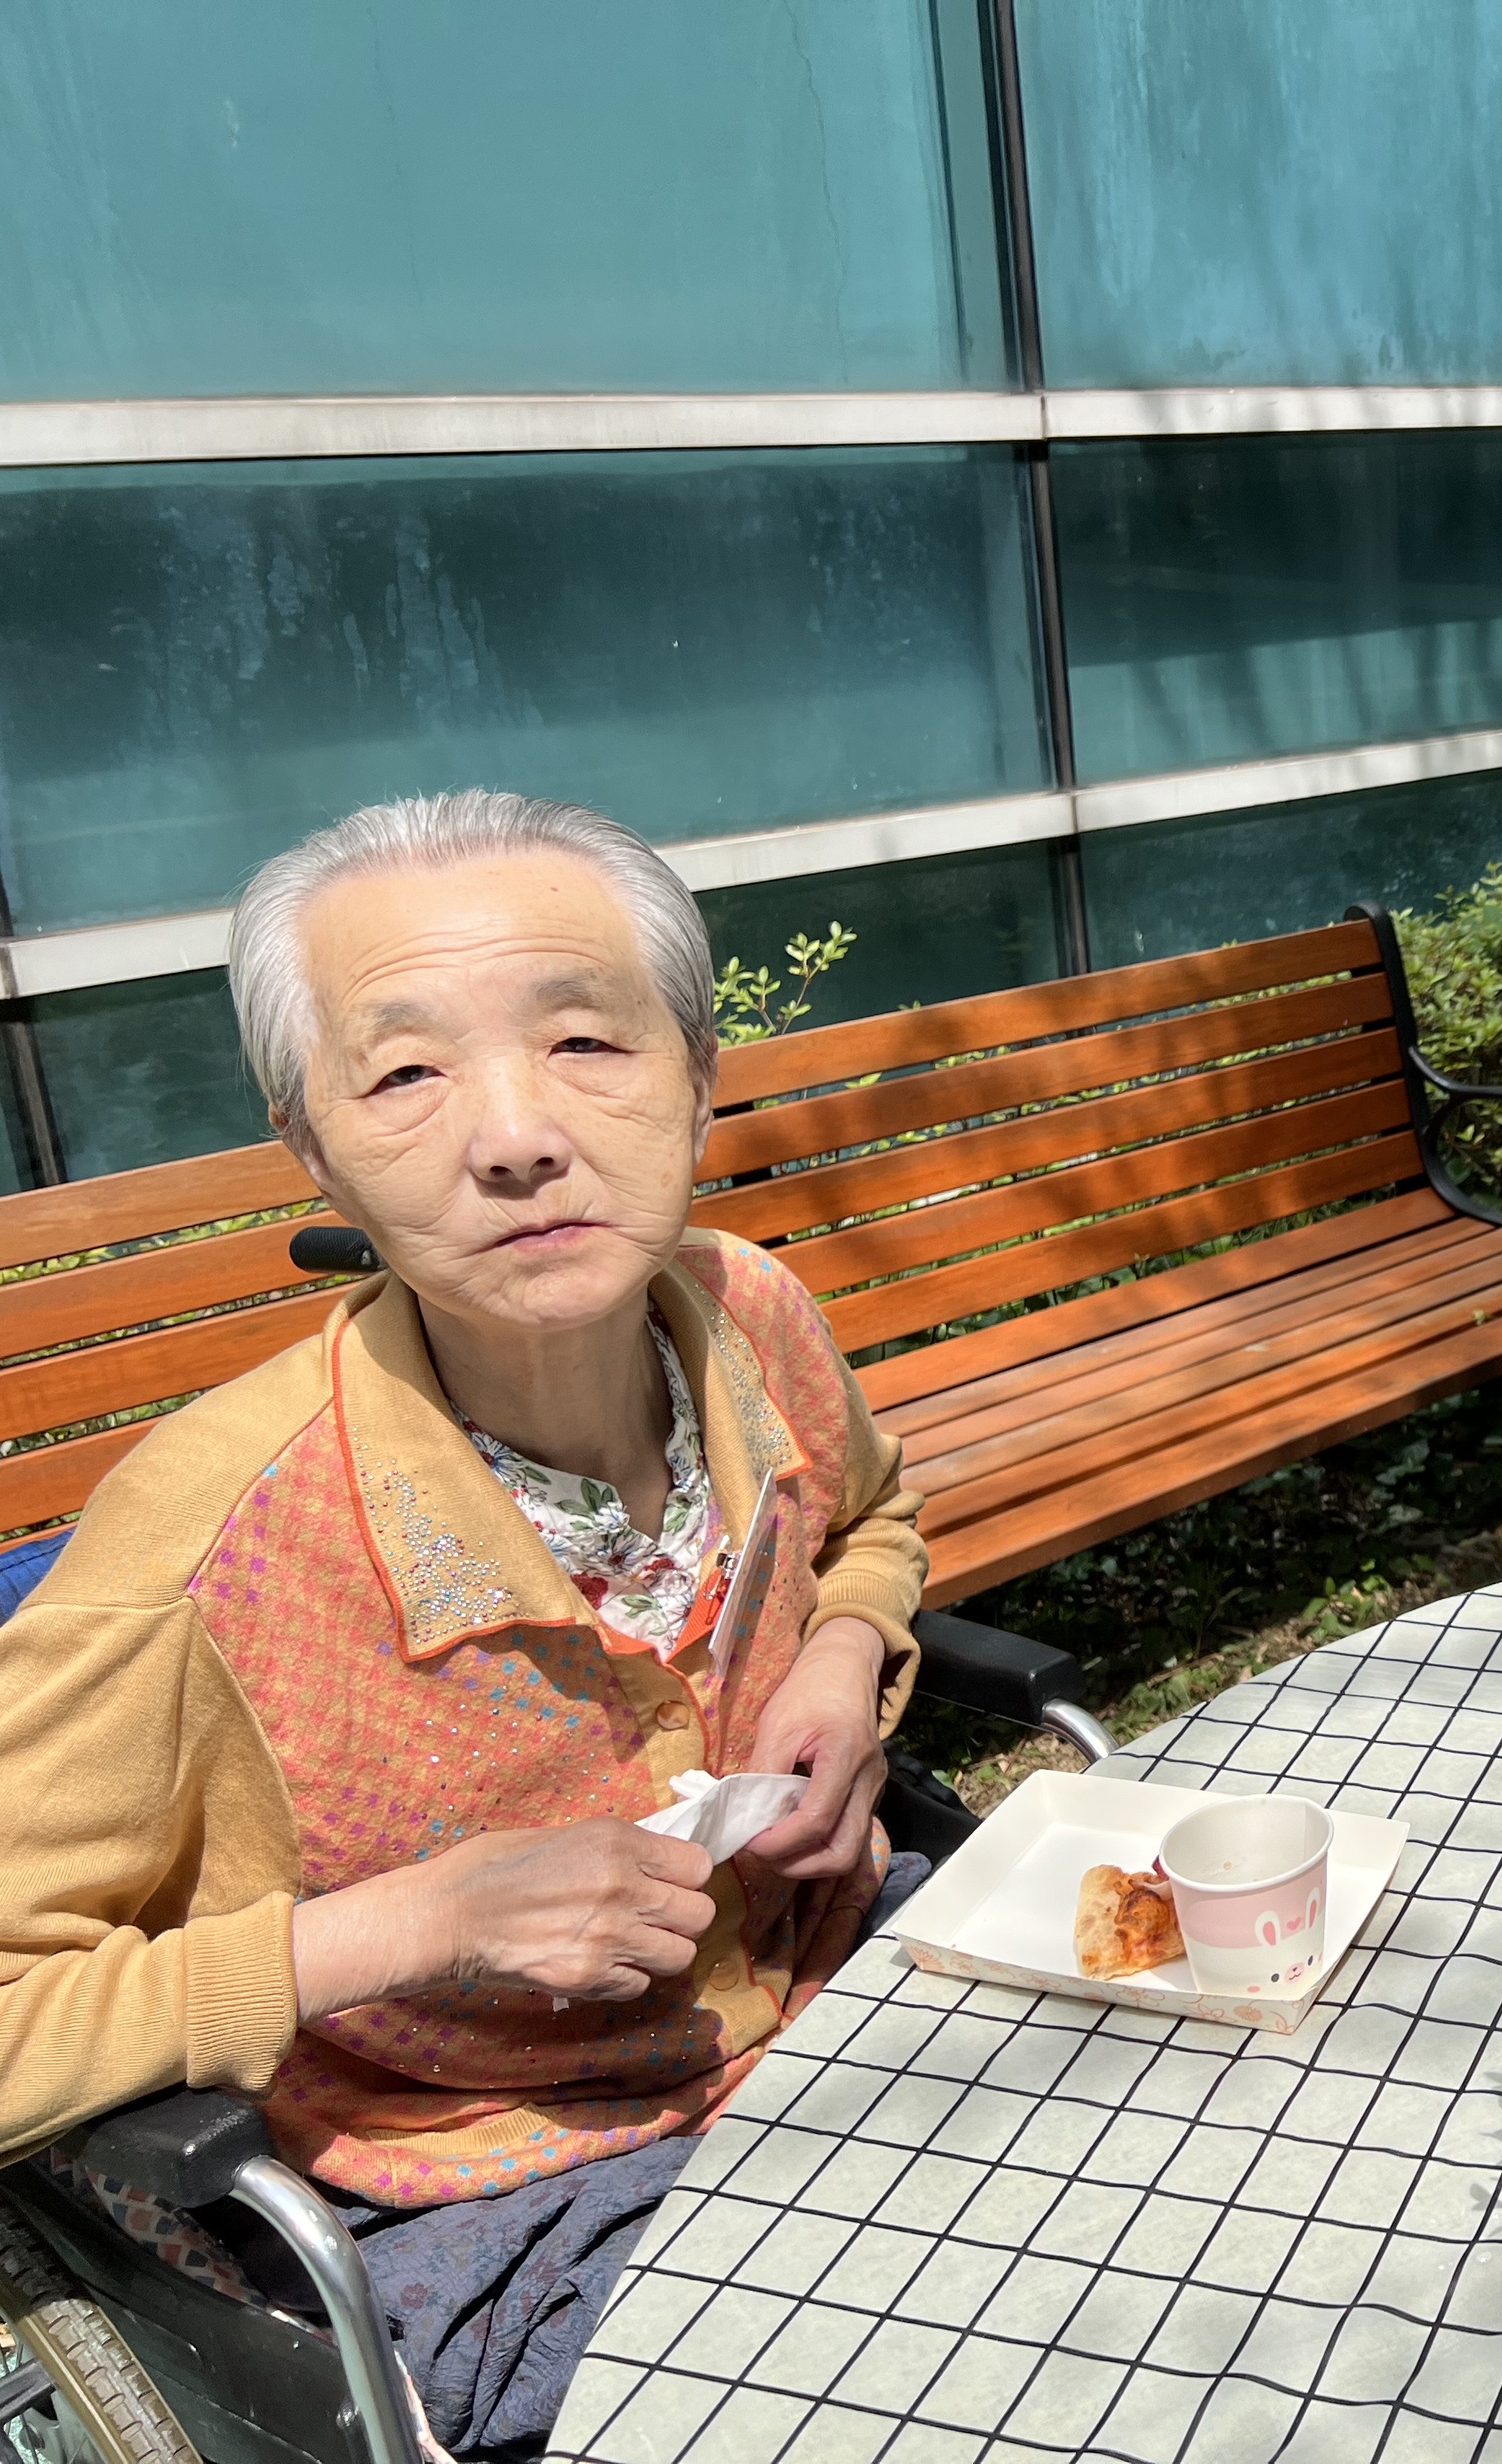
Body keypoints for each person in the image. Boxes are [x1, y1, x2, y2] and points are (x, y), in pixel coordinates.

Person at [0, 791, 928, 2454]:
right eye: (406, 1072)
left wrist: (847, 1657)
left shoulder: (747, 1313)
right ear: (310, 1143)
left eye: (585, 1039)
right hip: (495, 2185)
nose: (513, 1134)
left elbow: (871, 1519)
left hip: (833, 1987)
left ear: (698, 1072)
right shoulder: (205, 1550)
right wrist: (414, 1923)